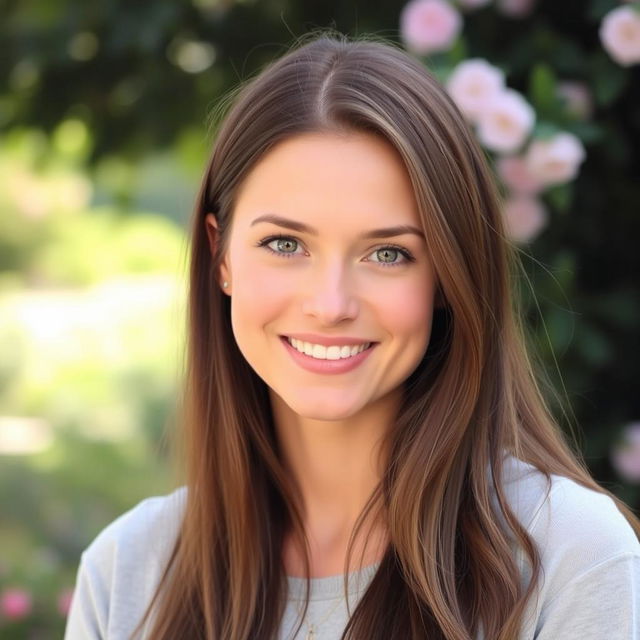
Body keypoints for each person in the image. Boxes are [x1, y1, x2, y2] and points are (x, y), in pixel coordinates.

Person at [64, 31, 640, 640]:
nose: (331, 304)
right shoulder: (128, 571)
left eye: (388, 254)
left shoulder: (569, 558)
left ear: (448, 275)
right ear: (220, 256)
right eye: (285, 245)